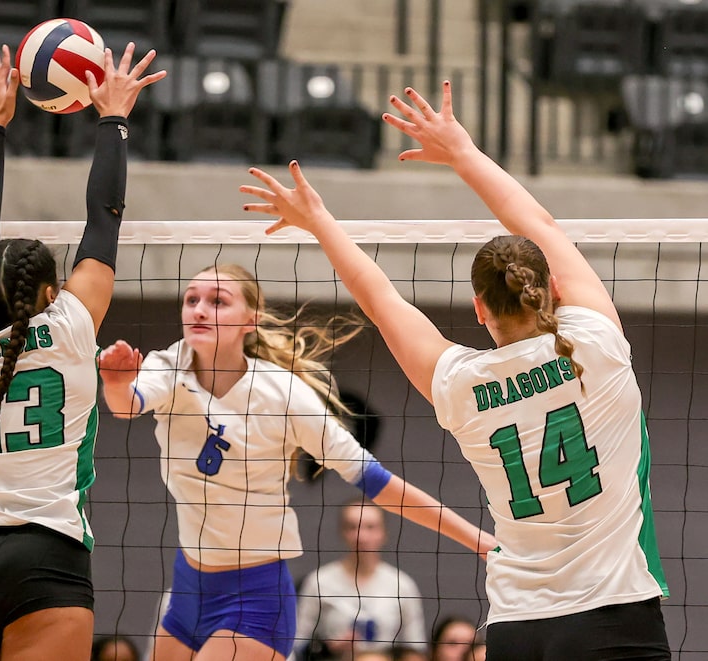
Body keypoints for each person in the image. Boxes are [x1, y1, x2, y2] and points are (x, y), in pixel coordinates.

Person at [240, 82, 671, 660]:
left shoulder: (461, 385)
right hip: (614, 616)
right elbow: (540, 225)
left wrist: (319, 221)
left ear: (478, 308)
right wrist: (463, 153)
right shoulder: (597, 343)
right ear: (549, 291)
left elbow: (381, 300)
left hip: (518, 627)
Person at [99, 263, 497, 661]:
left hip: (254, 598)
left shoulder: (284, 394)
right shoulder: (169, 366)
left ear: (249, 320)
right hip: (189, 586)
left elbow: (376, 481)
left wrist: (478, 540)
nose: (200, 310)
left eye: (218, 301)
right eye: (192, 300)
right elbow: (128, 406)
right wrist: (116, 383)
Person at [0, 43, 165, 661]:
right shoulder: (71, 326)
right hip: (46, 555)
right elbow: (105, 217)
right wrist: (113, 117)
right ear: (49, 290)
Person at [294, 498, 427, 661]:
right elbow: (297, 643)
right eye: (353, 527)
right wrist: (328, 648)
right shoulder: (318, 581)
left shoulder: (403, 585)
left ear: (384, 533)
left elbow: (415, 649)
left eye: (370, 527)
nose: (361, 535)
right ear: (341, 531)